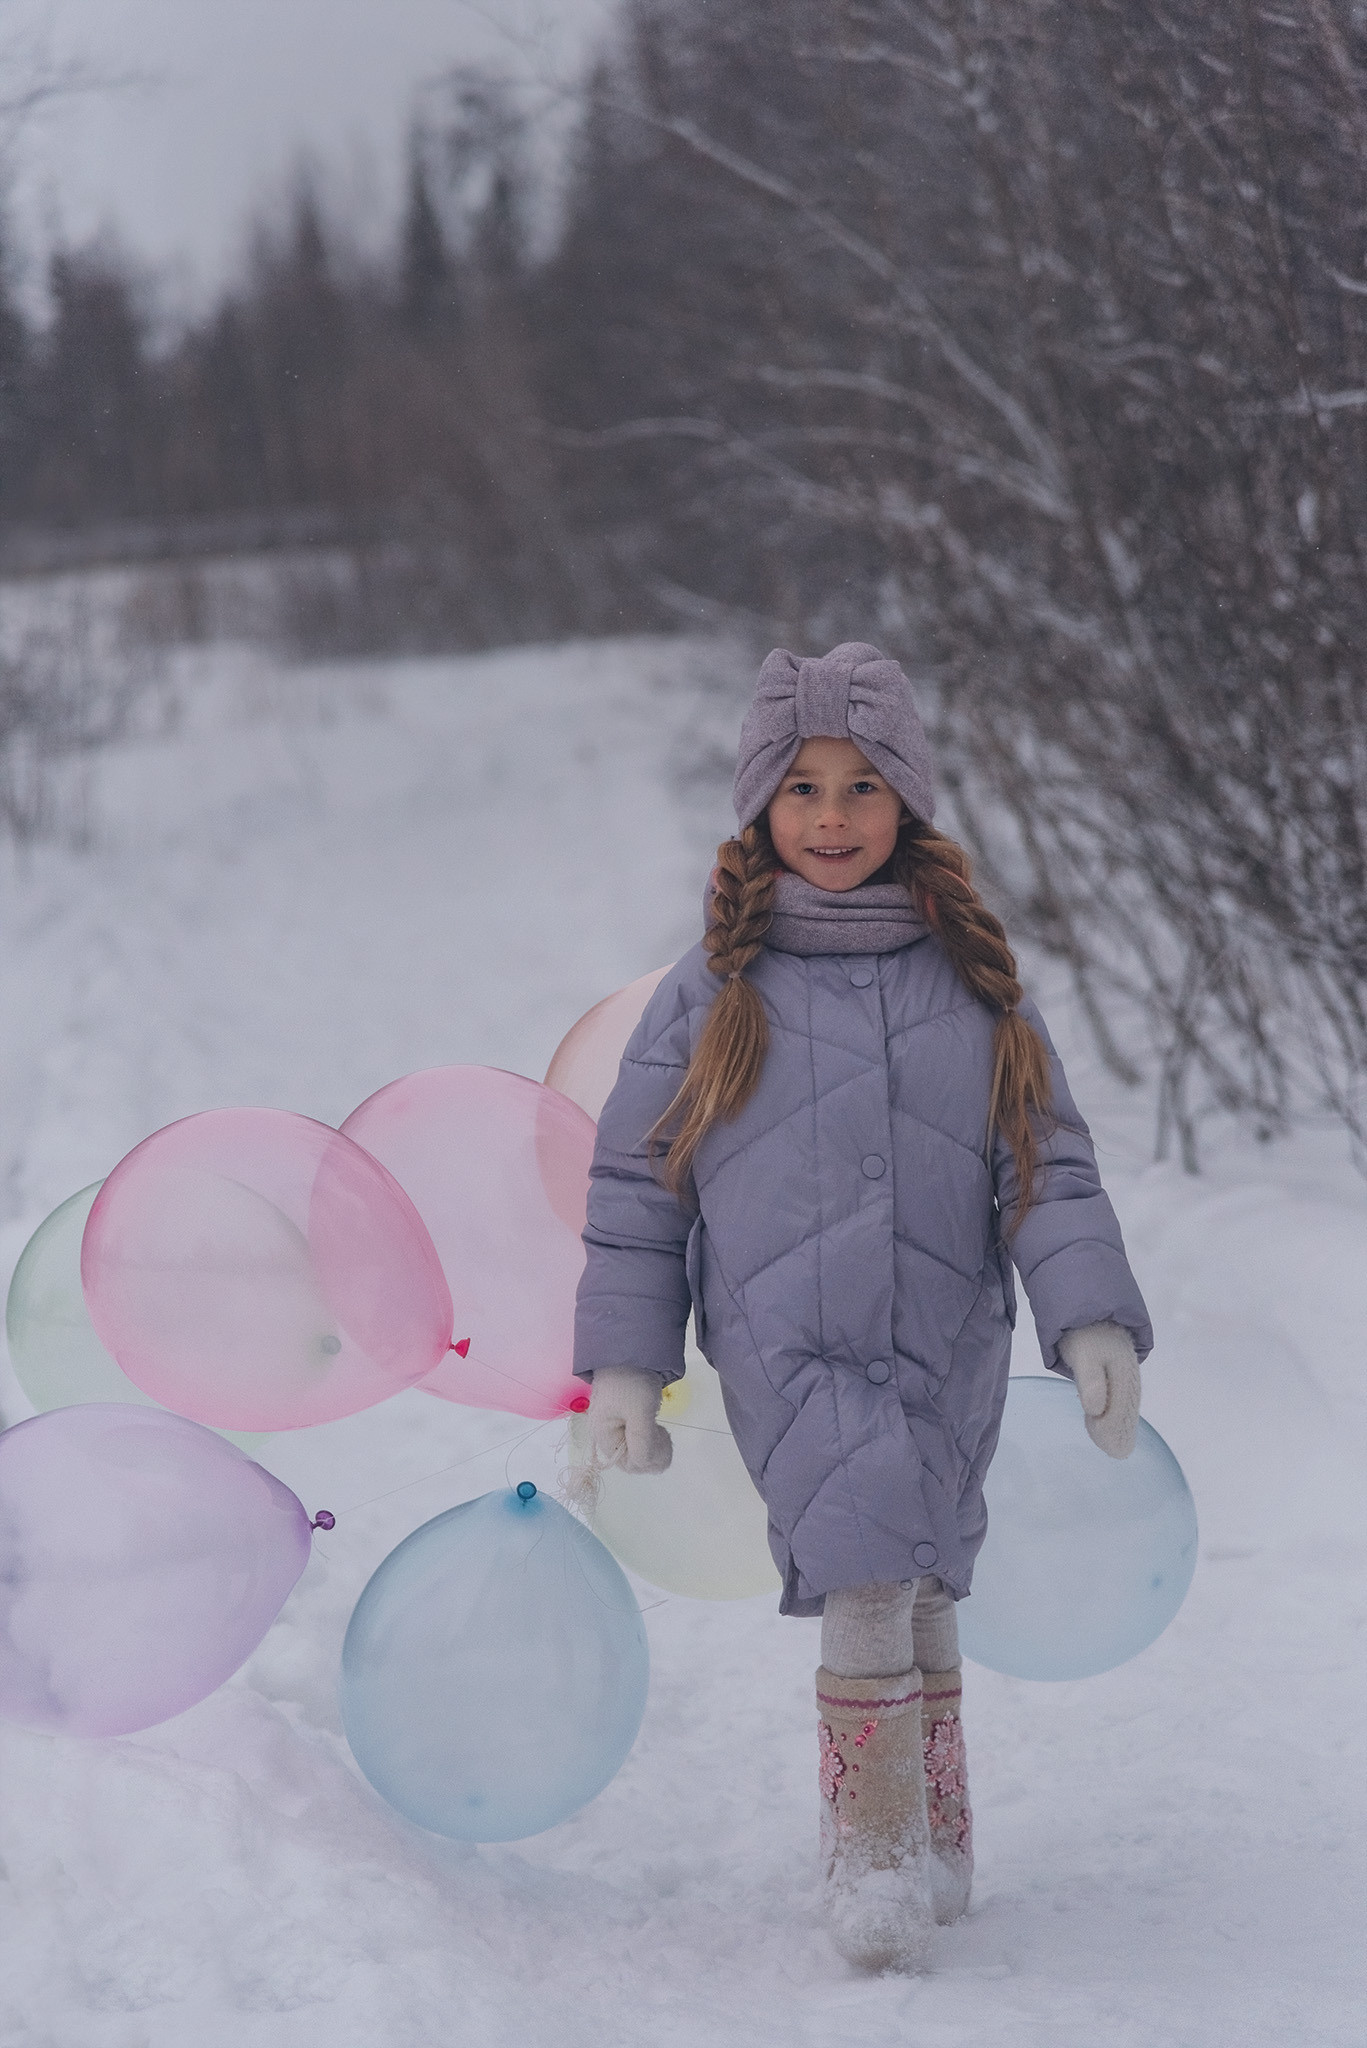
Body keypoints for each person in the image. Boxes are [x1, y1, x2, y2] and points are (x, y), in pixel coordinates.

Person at [573, 642, 1152, 1973]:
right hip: (792, 1343)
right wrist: (624, 1366)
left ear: (910, 803)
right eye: (801, 790)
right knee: (868, 1570)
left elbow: (1045, 1163)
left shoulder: (974, 982)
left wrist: (1090, 1316)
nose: (830, 820)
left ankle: (945, 1844)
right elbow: (635, 1187)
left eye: (862, 787)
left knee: (928, 1563)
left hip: (949, 1334)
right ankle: (876, 1865)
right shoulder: (715, 991)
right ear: (759, 809)